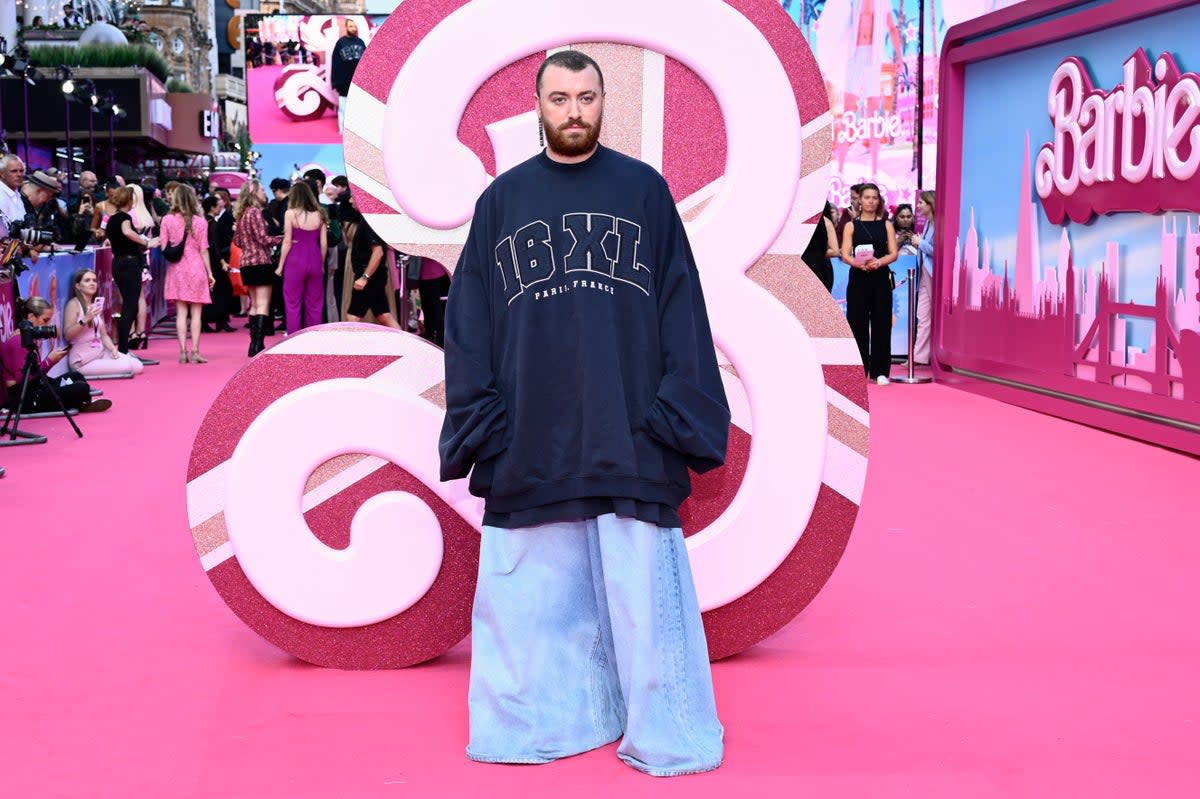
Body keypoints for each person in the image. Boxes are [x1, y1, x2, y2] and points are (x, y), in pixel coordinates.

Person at [439, 50, 728, 777]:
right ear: (537, 104)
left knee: (641, 596)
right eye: (560, 97)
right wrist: (482, 419)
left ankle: (662, 730)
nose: (574, 110)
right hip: (532, 428)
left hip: (628, 428)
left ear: (606, 102)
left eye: (587, 96)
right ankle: (536, 726)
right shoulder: (501, 201)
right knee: (527, 599)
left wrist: (673, 411)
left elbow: (681, 307)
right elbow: (468, 322)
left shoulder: (643, 191)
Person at [1, 296, 111, 414]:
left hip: (37, 386)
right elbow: (23, 379)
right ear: (31, 317)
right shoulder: (19, 341)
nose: (48, 324)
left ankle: (79, 402)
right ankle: (80, 402)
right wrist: (50, 361)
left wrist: (52, 361)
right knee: (81, 388)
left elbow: (35, 373)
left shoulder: (26, 337)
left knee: (76, 376)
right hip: (25, 398)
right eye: (45, 320)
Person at [841, 182, 898, 384]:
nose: (871, 201)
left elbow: (894, 253)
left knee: (882, 323)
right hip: (858, 279)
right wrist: (858, 265)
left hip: (881, 278)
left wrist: (879, 262)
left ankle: (880, 371)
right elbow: (844, 253)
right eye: (867, 197)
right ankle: (859, 370)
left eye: (874, 198)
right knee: (857, 323)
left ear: (879, 201)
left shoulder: (886, 225)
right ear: (860, 201)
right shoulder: (851, 225)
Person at [161, 184, 215, 363]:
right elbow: (204, 249)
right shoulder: (200, 222)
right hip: (196, 267)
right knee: (197, 313)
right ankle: (196, 352)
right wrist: (210, 273)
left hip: (177, 269)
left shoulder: (167, 220)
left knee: (181, 312)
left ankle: (183, 351)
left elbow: (164, 247)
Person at [57, 268, 145, 377]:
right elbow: (68, 335)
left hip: (100, 352)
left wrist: (113, 349)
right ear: (78, 286)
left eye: (94, 280)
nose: (92, 283)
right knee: (126, 366)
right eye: (87, 280)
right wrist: (85, 320)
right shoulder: (73, 304)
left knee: (138, 366)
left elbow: (103, 334)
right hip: (83, 360)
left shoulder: (96, 304)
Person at [104, 186, 159, 354]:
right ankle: (123, 350)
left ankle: (123, 347)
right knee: (130, 306)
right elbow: (127, 232)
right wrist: (147, 243)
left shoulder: (111, 219)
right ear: (129, 200)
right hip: (129, 265)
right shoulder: (124, 218)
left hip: (118, 264)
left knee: (127, 306)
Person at [232, 179, 283, 355]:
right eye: (262, 189)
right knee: (263, 304)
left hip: (246, 263)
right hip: (261, 261)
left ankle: (254, 343)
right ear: (254, 192)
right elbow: (263, 239)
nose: (264, 192)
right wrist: (283, 238)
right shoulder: (255, 212)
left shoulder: (242, 214)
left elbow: (237, 240)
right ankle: (257, 343)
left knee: (254, 304)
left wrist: (249, 244)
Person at [342, 192, 400, 328]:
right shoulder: (369, 221)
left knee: (353, 316)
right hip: (374, 276)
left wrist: (365, 277)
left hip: (370, 277)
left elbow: (378, 252)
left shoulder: (369, 223)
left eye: (353, 197)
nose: (350, 201)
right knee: (384, 316)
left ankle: (356, 348)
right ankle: (407, 346)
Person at [276, 181, 327, 336]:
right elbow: (324, 243)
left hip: (295, 259)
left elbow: (287, 241)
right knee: (315, 302)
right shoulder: (320, 213)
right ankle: (313, 338)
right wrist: (322, 264)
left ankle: (294, 338)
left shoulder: (290, 213)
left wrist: (280, 266)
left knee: (292, 302)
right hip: (315, 258)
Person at [203, 188, 236, 333]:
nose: (220, 206)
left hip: (209, 260)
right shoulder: (211, 224)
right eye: (217, 205)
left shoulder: (205, 221)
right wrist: (222, 261)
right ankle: (220, 320)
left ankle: (212, 320)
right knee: (223, 289)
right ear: (212, 207)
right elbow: (214, 244)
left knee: (214, 291)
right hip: (214, 261)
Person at [330, 19, 366, 132]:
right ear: (346, 27)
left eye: (354, 26)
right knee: (344, 108)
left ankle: (356, 131)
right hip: (344, 82)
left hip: (358, 81)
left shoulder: (360, 42)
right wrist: (336, 82)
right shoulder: (340, 43)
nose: (353, 28)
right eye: (351, 26)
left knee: (358, 108)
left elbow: (366, 61)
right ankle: (343, 130)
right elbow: (335, 62)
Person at [913, 190, 936, 366]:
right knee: (922, 315)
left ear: (930, 204)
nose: (918, 206)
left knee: (927, 316)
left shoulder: (938, 224)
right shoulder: (928, 223)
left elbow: (937, 250)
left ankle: (922, 356)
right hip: (923, 273)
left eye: (921, 202)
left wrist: (920, 243)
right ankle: (919, 357)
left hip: (932, 275)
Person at [801, 201, 839, 292]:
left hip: (814, 269)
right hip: (811, 269)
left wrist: (813, 255)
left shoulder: (825, 221)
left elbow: (835, 251)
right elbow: (834, 250)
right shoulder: (825, 221)